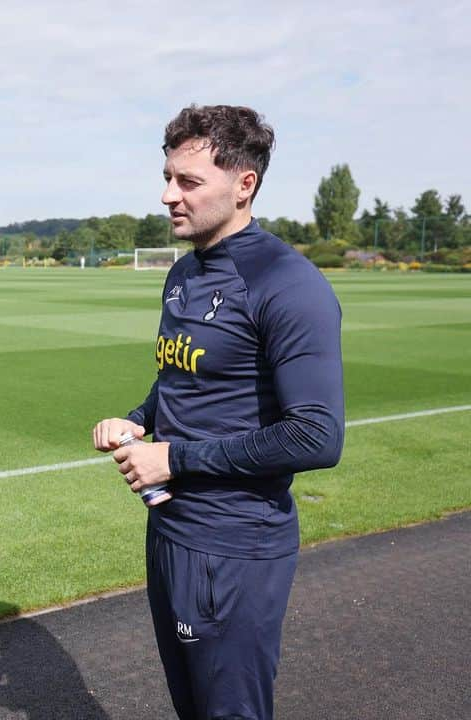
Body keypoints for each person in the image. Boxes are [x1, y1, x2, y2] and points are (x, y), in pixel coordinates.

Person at [92, 105, 344, 720]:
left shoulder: (287, 283)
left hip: (233, 546)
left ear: (244, 185)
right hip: (171, 532)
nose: (166, 195)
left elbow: (317, 436)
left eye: (188, 182)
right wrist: (139, 419)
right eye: (168, 177)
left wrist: (173, 458)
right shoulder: (183, 273)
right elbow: (180, 374)